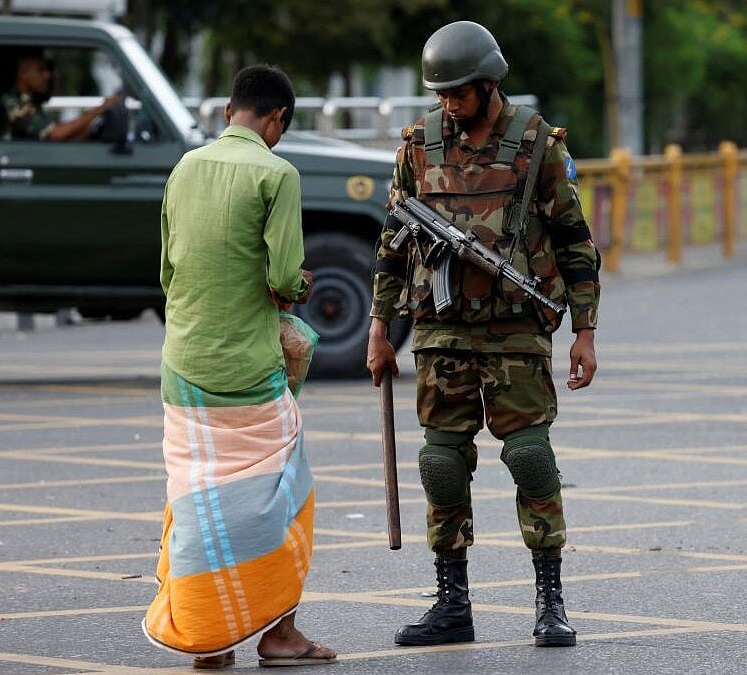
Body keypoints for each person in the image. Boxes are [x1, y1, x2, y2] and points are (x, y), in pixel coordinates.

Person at [365, 21, 601, 649]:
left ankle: (550, 602)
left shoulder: (535, 142)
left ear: (489, 84)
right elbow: (392, 246)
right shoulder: (418, 145)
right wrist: (379, 330)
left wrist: (585, 331)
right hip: (441, 333)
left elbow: (576, 242)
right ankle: (452, 604)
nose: (448, 104)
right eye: (440, 94)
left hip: (516, 331)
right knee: (441, 465)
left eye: (459, 94)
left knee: (530, 459)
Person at [142, 65, 337, 669]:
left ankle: (208, 640)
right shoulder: (278, 174)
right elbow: (282, 277)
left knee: (196, 497)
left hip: (183, 364)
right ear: (276, 119)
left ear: (230, 112)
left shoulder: (184, 168)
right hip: (247, 371)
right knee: (283, 495)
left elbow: (168, 274)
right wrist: (298, 285)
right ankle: (278, 635)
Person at [0, 48, 120, 141]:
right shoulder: (12, 101)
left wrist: (90, 127)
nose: (47, 75)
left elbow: (59, 133)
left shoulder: (31, 101)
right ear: (23, 73)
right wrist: (100, 109)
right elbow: (55, 134)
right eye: (40, 70)